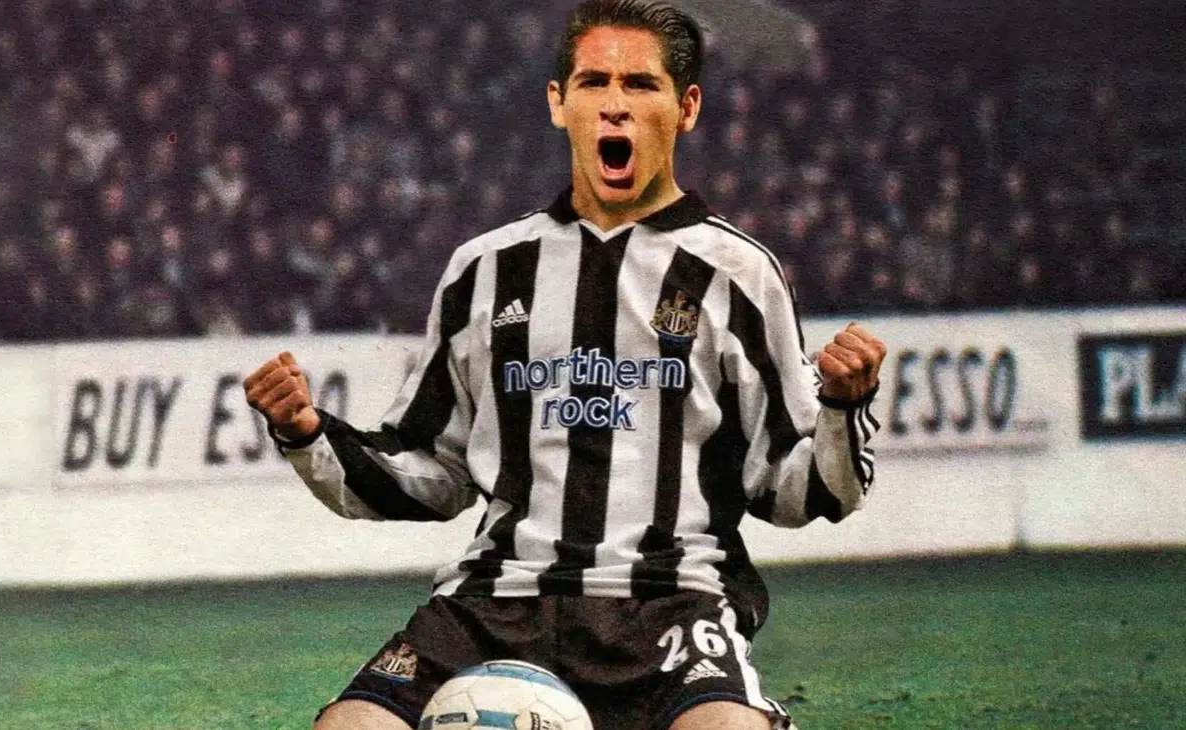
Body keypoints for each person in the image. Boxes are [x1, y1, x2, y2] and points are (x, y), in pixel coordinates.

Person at [244, 2, 887, 728]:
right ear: (559, 103)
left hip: (667, 601)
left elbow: (798, 491)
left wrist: (842, 407)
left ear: (686, 108)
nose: (614, 104)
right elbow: (432, 471)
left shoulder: (737, 273)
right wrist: (306, 432)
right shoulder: (485, 270)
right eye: (593, 82)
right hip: (494, 602)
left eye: (640, 84)